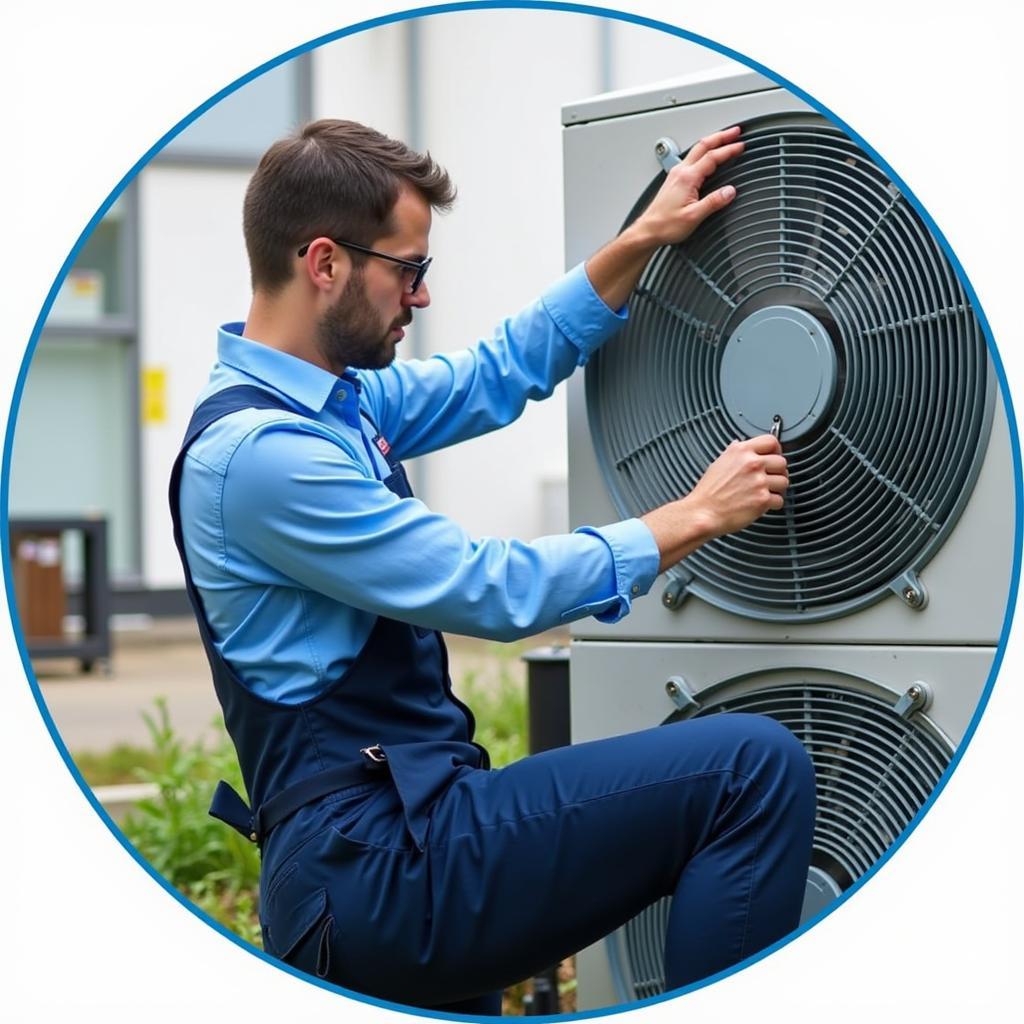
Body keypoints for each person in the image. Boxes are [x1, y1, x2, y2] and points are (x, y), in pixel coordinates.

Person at [169, 119, 816, 1015]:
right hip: (382, 868)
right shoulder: (263, 457)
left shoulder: (335, 407)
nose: (420, 298)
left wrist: (642, 240)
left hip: (388, 854)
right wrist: (695, 516)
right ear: (325, 263)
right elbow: (491, 588)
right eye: (408, 269)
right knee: (751, 771)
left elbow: (496, 371)